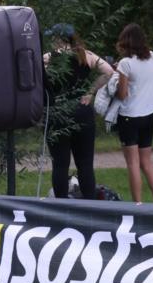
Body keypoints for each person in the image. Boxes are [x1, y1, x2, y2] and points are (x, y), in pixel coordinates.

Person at [42, 23, 114, 199]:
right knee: (85, 164)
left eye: (53, 37)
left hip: (58, 112)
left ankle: (61, 204)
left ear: (59, 39)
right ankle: (89, 206)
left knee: (60, 164)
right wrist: (90, 91)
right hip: (82, 111)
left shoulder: (48, 58)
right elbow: (108, 71)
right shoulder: (85, 55)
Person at [114, 23, 153, 203]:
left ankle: (138, 205)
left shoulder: (125, 63)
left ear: (126, 42)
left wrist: (116, 78)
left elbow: (122, 94)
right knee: (146, 163)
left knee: (133, 163)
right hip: (149, 115)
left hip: (130, 117)